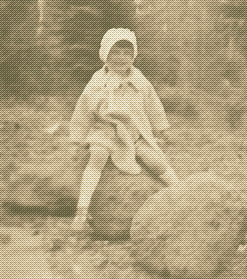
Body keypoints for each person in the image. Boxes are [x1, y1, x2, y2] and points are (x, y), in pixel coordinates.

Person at [68, 28, 179, 234]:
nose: (121, 58)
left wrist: (161, 129)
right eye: (115, 52)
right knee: (98, 156)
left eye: (127, 53)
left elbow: (153, 105)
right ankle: (81, 211)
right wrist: (77, 139)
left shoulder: (140, 81)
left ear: (134, 56)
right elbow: (83, 109)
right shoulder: (98, 81)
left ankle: (182, 192)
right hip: (105, 131)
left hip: (135, 133)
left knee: (154, 161)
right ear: (105, 55)